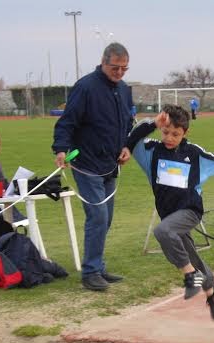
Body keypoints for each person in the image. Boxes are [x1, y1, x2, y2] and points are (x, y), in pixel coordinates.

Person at [121, 105, 214, 320]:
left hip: (189, 211)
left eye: (176, 134)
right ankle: (212, 291)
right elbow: (132, 138)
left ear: (185, 133)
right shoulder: (151, 152)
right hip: (170, 216)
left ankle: (190, 276)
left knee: (163, 232)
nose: (169, 138)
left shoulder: (194, 154)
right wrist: (153, 123)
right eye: (166, 132)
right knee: (189, 255)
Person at [52, 42, 133, 291]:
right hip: (86, 163)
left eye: (124, 68)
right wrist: (61, 149)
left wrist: (127, 146)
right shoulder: (85, 87)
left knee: (106, 218)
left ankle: (98, 266)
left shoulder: (125, 90)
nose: (119, 73)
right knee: (97, 216)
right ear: (103, 62)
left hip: (110, 164)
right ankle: (90, 273)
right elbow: (67, 121)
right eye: (115, 68)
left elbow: (127, 123)